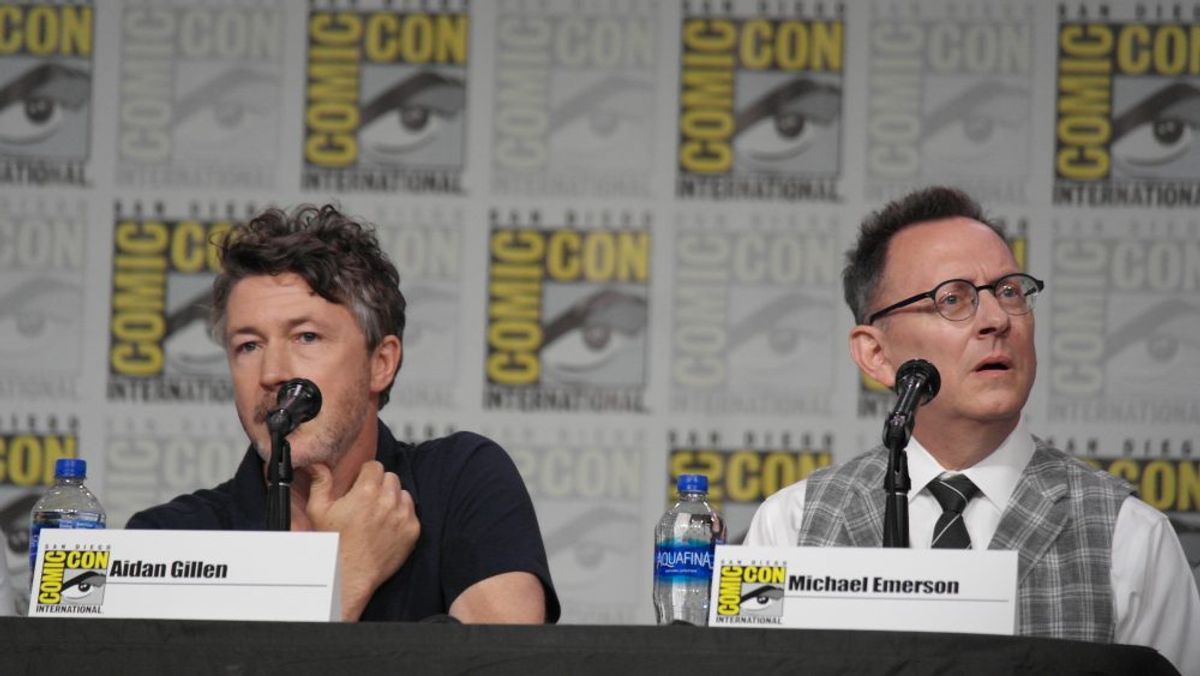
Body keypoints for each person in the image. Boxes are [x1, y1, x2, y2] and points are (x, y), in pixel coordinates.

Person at [745, 187, 1198, 673]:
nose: (996, 320)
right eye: (952, 298)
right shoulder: (792, 526)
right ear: (875, 353)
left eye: (1009, 292)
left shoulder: (1128, 537)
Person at [127, 205, 560, 624]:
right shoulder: (167, 539)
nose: (273, 373)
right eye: (249, 345)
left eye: (307, 337)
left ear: (380, 363)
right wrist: (347, 573)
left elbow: (501, 658)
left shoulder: (461, 481)